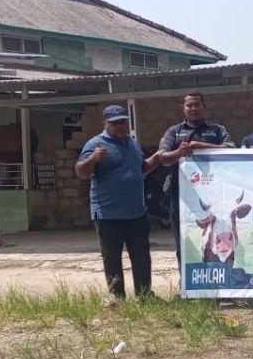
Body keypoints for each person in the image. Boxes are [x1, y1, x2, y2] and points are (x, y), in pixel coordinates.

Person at [75, 104, 161, 305]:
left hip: (136, 213)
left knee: (141, 256)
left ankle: (144, 295)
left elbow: (142, 169)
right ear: (105, 123)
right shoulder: (95, 144)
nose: (120, 126)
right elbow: (80, 172)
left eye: (123, 122)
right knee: (112, 258)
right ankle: (117, 298)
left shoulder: (132, 143)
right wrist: (94, 159)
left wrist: (158, 157)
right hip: (108, 214)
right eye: (115, 123)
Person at [157, 92, 234, 260]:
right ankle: (186, 283)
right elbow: (162, 157)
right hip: (182, 199)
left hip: (215, 198)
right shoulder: (174, 132)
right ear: (183, 108)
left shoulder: (217, 130)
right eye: (189, 105)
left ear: (204, 107)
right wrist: (179, 152)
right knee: (185, 244)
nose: (193, 108)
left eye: (197, 105)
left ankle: (218, 280)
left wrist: (202, 146)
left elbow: (231, 149)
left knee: (221, 240)